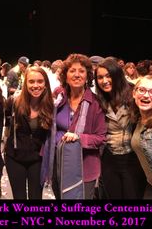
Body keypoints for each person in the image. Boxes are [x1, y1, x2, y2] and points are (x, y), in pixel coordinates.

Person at [42, 53, 107, 199]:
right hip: (59, 164)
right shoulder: (59, 99)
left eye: (81, 71)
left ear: (88, 76)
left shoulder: (95, 103)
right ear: (65, 75)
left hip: (84, 168)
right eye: (72, 71)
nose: (77, 75)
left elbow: (101, 138)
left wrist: (78, 138)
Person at [95, 58, 146, 199]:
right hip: (109, 159)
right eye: (100, 77)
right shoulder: (98, 100)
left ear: (117, 74)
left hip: (133, 159)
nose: (104, 81)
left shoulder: (133, 94)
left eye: (108, 75)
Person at [4, 66, 54, 199]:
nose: (35, 85)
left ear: (45, 84)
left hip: (38, 158)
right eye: (31, 81)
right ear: (25, 83)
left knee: (36, 197)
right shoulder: (14, 102)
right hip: (14, 157)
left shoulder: (51, 105)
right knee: (19, 197)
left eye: (40, 81)